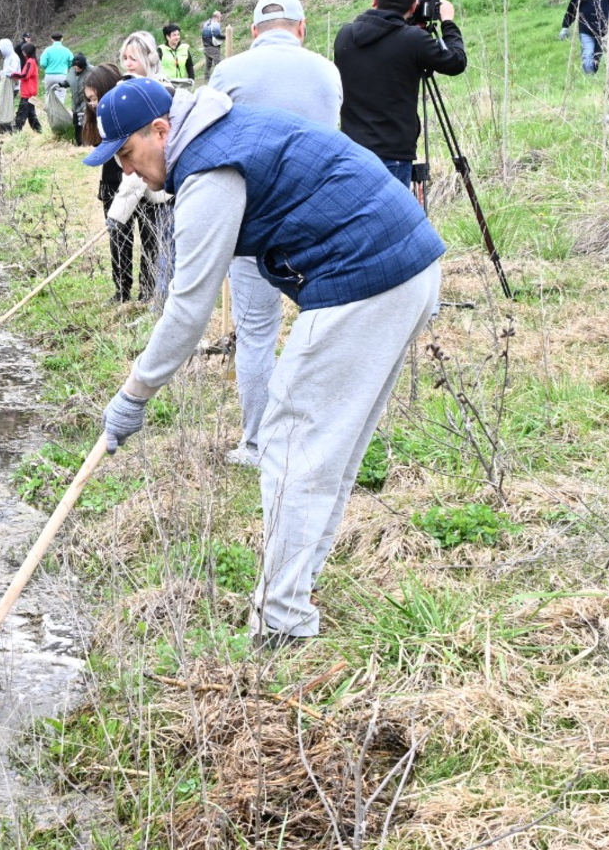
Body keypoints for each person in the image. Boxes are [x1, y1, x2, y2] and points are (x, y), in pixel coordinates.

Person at [86, 76, 443, 646]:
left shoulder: (208, 172)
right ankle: (292, 599)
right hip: (405, 266)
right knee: (324, 453)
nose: (128, 170)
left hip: (370, 276)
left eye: (127, 154)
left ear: (160, 130)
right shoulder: (221, 131)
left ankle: (282, 623)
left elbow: (187, 311)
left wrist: (133, 396)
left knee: (291, 444)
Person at [207, 0, 343, 469]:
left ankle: (257, 443)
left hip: (253, 222)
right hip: (319, 219)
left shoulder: (228, 71)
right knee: (321, 325)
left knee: (256, 333)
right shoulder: (327, 71)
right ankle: (317, 434)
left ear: (253, 34)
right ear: (301, 30)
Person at [333, 0, 467, 191]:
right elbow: (456, 62)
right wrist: (448, 22)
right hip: (392, 156)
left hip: (351, 154)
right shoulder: (413, 40)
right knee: (391, 224)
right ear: (414, 6)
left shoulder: (345, 35)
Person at [82, 64, 159, 304]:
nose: (93, 104)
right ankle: (122, 291)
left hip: (141, 185)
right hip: (111, 183)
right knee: (118, 240)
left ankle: (148, 292)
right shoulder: (98, 117)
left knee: (150, 239)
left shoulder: (129, 111)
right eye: (89, 100)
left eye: (95, 98)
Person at [118, 31, 173, 305]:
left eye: (134, 58)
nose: (128, 63)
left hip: (162, 189)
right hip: (138, 185)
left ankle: (157, 300)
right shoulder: (124, 93)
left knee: (161, 247)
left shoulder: (160, 93)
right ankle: (149, 300)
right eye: (125, 58)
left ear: (148, 58)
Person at [0, 38, 20, 134]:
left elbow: (12, 71)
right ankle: (3, 129)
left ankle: (8, 129)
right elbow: (5, 71)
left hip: (13, 87)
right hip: (6, 86)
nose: (1, 51)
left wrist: (3, 73)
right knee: (2, 105)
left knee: (6, 106)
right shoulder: (7, 58)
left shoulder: (14, 57)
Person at [12, 42, 42, 133]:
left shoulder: (30, 62)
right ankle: (38, 130)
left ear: (27, 51)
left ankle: (17, 131)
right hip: (30, 92)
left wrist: (13, 74)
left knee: (21, 113)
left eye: (23, 51)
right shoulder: (32, 61)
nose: (22, 52)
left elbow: (25, 75)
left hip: (28, 92)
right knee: (31, 114)